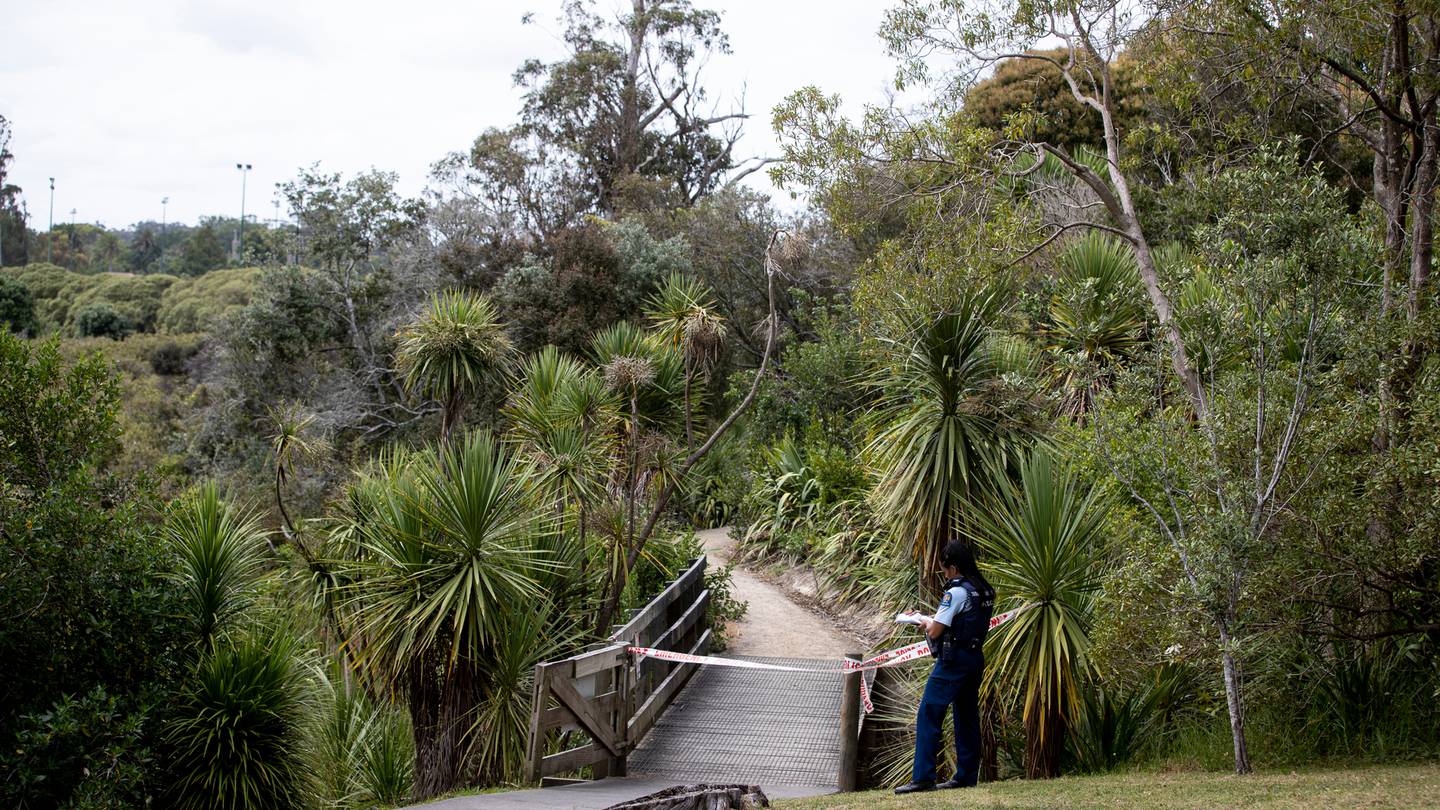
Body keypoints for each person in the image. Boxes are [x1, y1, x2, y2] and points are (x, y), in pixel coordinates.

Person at [894, 540, 995, 794]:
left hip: (954, 661)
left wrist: (923, 620)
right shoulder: (983, 590)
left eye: (946, 570)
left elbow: (938, 629)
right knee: (967, 716)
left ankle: (923, 778)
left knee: (929, 711)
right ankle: (966, 776)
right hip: (974, 658)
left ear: (954, 567)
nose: (946, 574)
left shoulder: (956, 592)